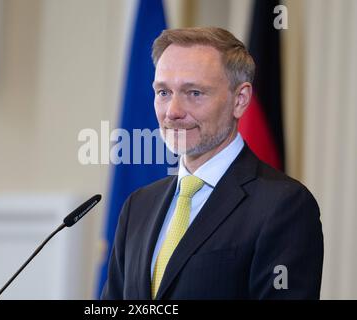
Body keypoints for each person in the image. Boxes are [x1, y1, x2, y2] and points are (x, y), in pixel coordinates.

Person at [101, 27, 323, 300]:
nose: (173, 112)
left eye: (194, 93)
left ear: (240, 100)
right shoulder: (138, 205)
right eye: (163, 93)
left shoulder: (284, 206)